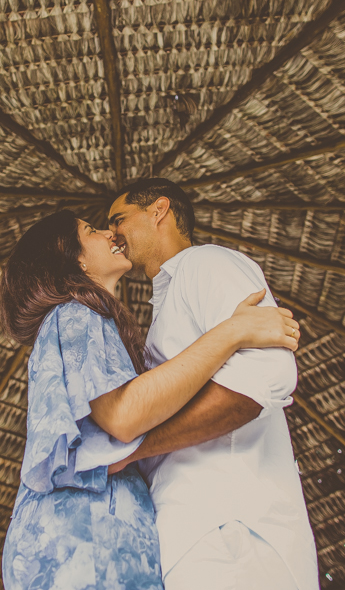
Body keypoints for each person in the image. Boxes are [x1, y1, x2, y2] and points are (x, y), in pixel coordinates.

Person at [0, 209, 302, 590]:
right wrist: (233, 331)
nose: (109, 233)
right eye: (92, 230)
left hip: (101, 545)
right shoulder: (74, 315)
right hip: (82, 546)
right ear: (75, 258)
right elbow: (123, 416)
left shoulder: (94, 324)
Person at [107, 178, 320, 590]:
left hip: (234, 532)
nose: (112, 233)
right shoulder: (167, 304)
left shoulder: (206, 264)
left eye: (119, 219)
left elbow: (263, 378)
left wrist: (137, 448)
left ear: (159, 210)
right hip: (196, 536)